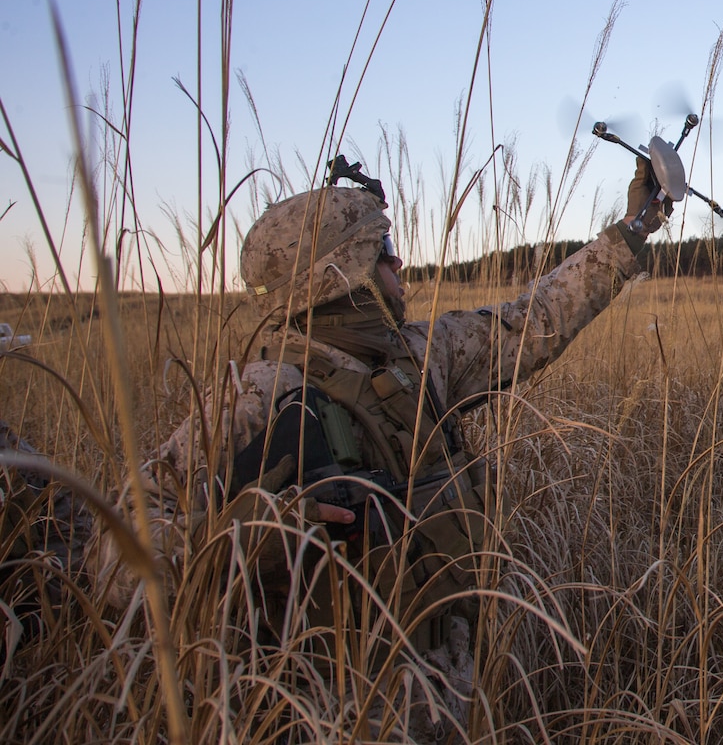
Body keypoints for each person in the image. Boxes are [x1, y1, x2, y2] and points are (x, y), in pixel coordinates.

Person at [142, 152, 671, 732]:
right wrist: (249, 541)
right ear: (343, 275)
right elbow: (116, 549)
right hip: (337, 713)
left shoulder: (422, 354)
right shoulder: (257, 397)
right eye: (384, 253)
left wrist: (633, 230)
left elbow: (536, 319)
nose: (400, 266)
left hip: (450, 688)